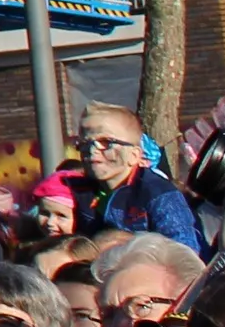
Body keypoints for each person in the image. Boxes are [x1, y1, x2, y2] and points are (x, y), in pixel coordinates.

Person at [75, 104, 200, 246]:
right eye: (85, 143)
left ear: (134, 155)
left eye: (106, 142)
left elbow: (184, 249)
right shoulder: (79, 192)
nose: (92, 150)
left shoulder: (158, 193)